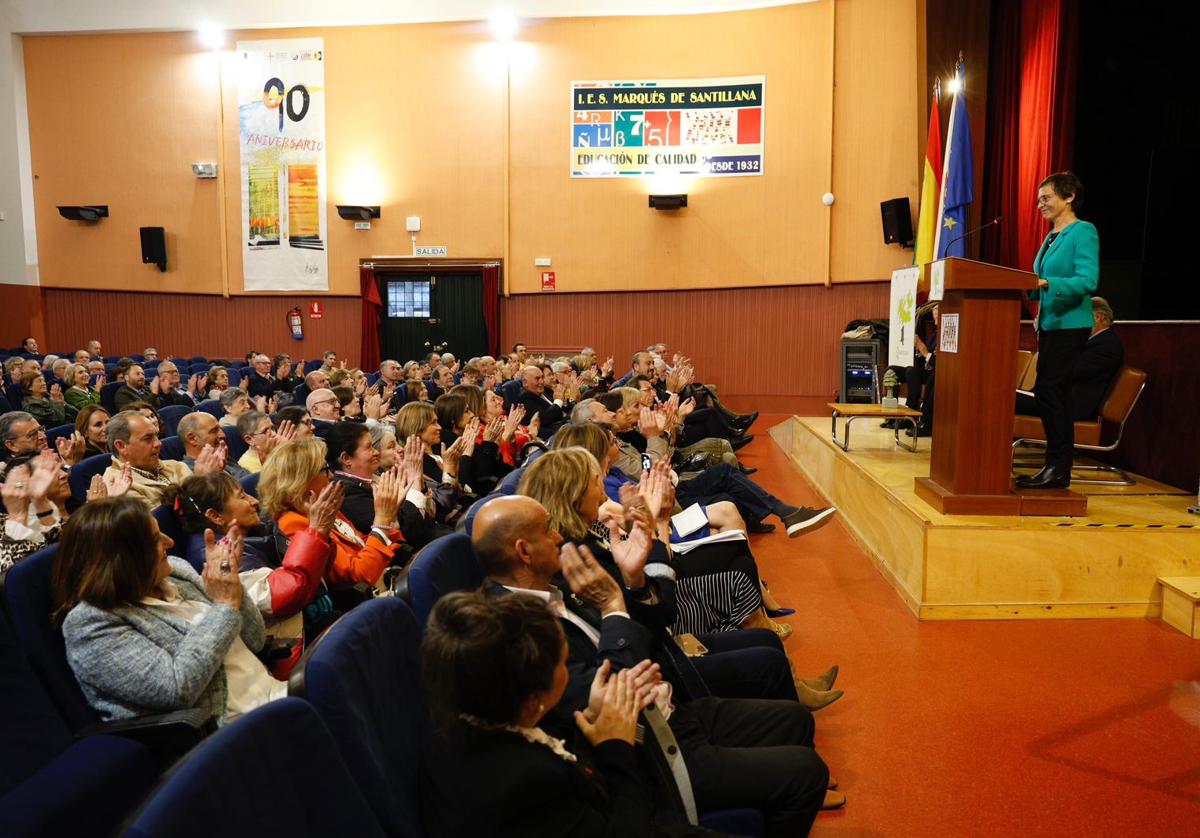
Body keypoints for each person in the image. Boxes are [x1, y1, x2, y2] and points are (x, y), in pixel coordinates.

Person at [474, 493, 839, 834]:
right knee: (806, 773)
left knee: (795, 719)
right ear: (524, 551)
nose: (558, 536)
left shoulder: (557, 583)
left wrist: (634, 581)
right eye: (547, 529)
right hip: (650, 748)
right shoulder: (512, 626)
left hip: (670, 708)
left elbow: (653, 631)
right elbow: (613, 692)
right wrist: (615, 607)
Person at [420, 591, 658, 837]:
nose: (568, 672)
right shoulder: (526, 784)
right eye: (564, 663)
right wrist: (616, 747)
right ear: (533, 701)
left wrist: (590, 716)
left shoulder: (461, 713)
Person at [55, 496, 282, 725]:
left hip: (273, 695)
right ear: (121, 559)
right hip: (231, 731)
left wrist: (233, 587)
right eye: (155, 539)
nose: (169, 542)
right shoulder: (90, 624)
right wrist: (224, 606)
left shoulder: (175, 572)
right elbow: (176, 689)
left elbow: (256, 640)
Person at [165, 472, 335, 677]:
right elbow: (282, 597)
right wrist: (315, 531)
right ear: (215, 516)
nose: (254, 501)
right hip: (289, 651)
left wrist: (319, 533)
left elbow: (320, 571)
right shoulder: (216, 556)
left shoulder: (256, 533)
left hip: (310, 625)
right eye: (242, 496)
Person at [1017, 172, 1100, 490]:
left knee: (1052, 392)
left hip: (1071, 325)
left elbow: (1088, 280)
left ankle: (1058, 467)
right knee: (1049, 392)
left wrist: (1049, 283)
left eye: (1046, 198)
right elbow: (1038, 280)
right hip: (1050, 324)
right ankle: (1054, 466)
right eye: (1038, 199)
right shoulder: (1051, 236)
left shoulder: (1083, 232)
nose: (1039, 204)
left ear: (1069, 197)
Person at [258, 438, 401, 589]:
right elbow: (360, 576)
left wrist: (388, 519)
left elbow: (362, 543)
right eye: (325, 469)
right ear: (301, 481)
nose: (332, 475)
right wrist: (382, 521)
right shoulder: (293, 525)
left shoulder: (322, 509)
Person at [325, 421, 439, 551]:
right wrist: (415, 483)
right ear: (346, 459)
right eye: (369, 447)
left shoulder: (381, 477)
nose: (376, 452)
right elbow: (409, 533)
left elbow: (431, 516)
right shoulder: (346, 495)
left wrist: (416, 483)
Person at [1017, 296, 1124, 422]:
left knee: (1008, 399)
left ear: (1097, 317)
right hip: (1057, 399)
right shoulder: (1095, 342)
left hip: (1070, 406)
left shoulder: (1107, 345)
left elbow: (1066, 371)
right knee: (1006, 397)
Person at [104, 410, 221, 508]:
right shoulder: (117, 489)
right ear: (121, 446)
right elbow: (161, 527)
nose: (158, 444)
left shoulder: (176, 466)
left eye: (157, 436)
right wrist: (200, 482)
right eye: (148, 438)